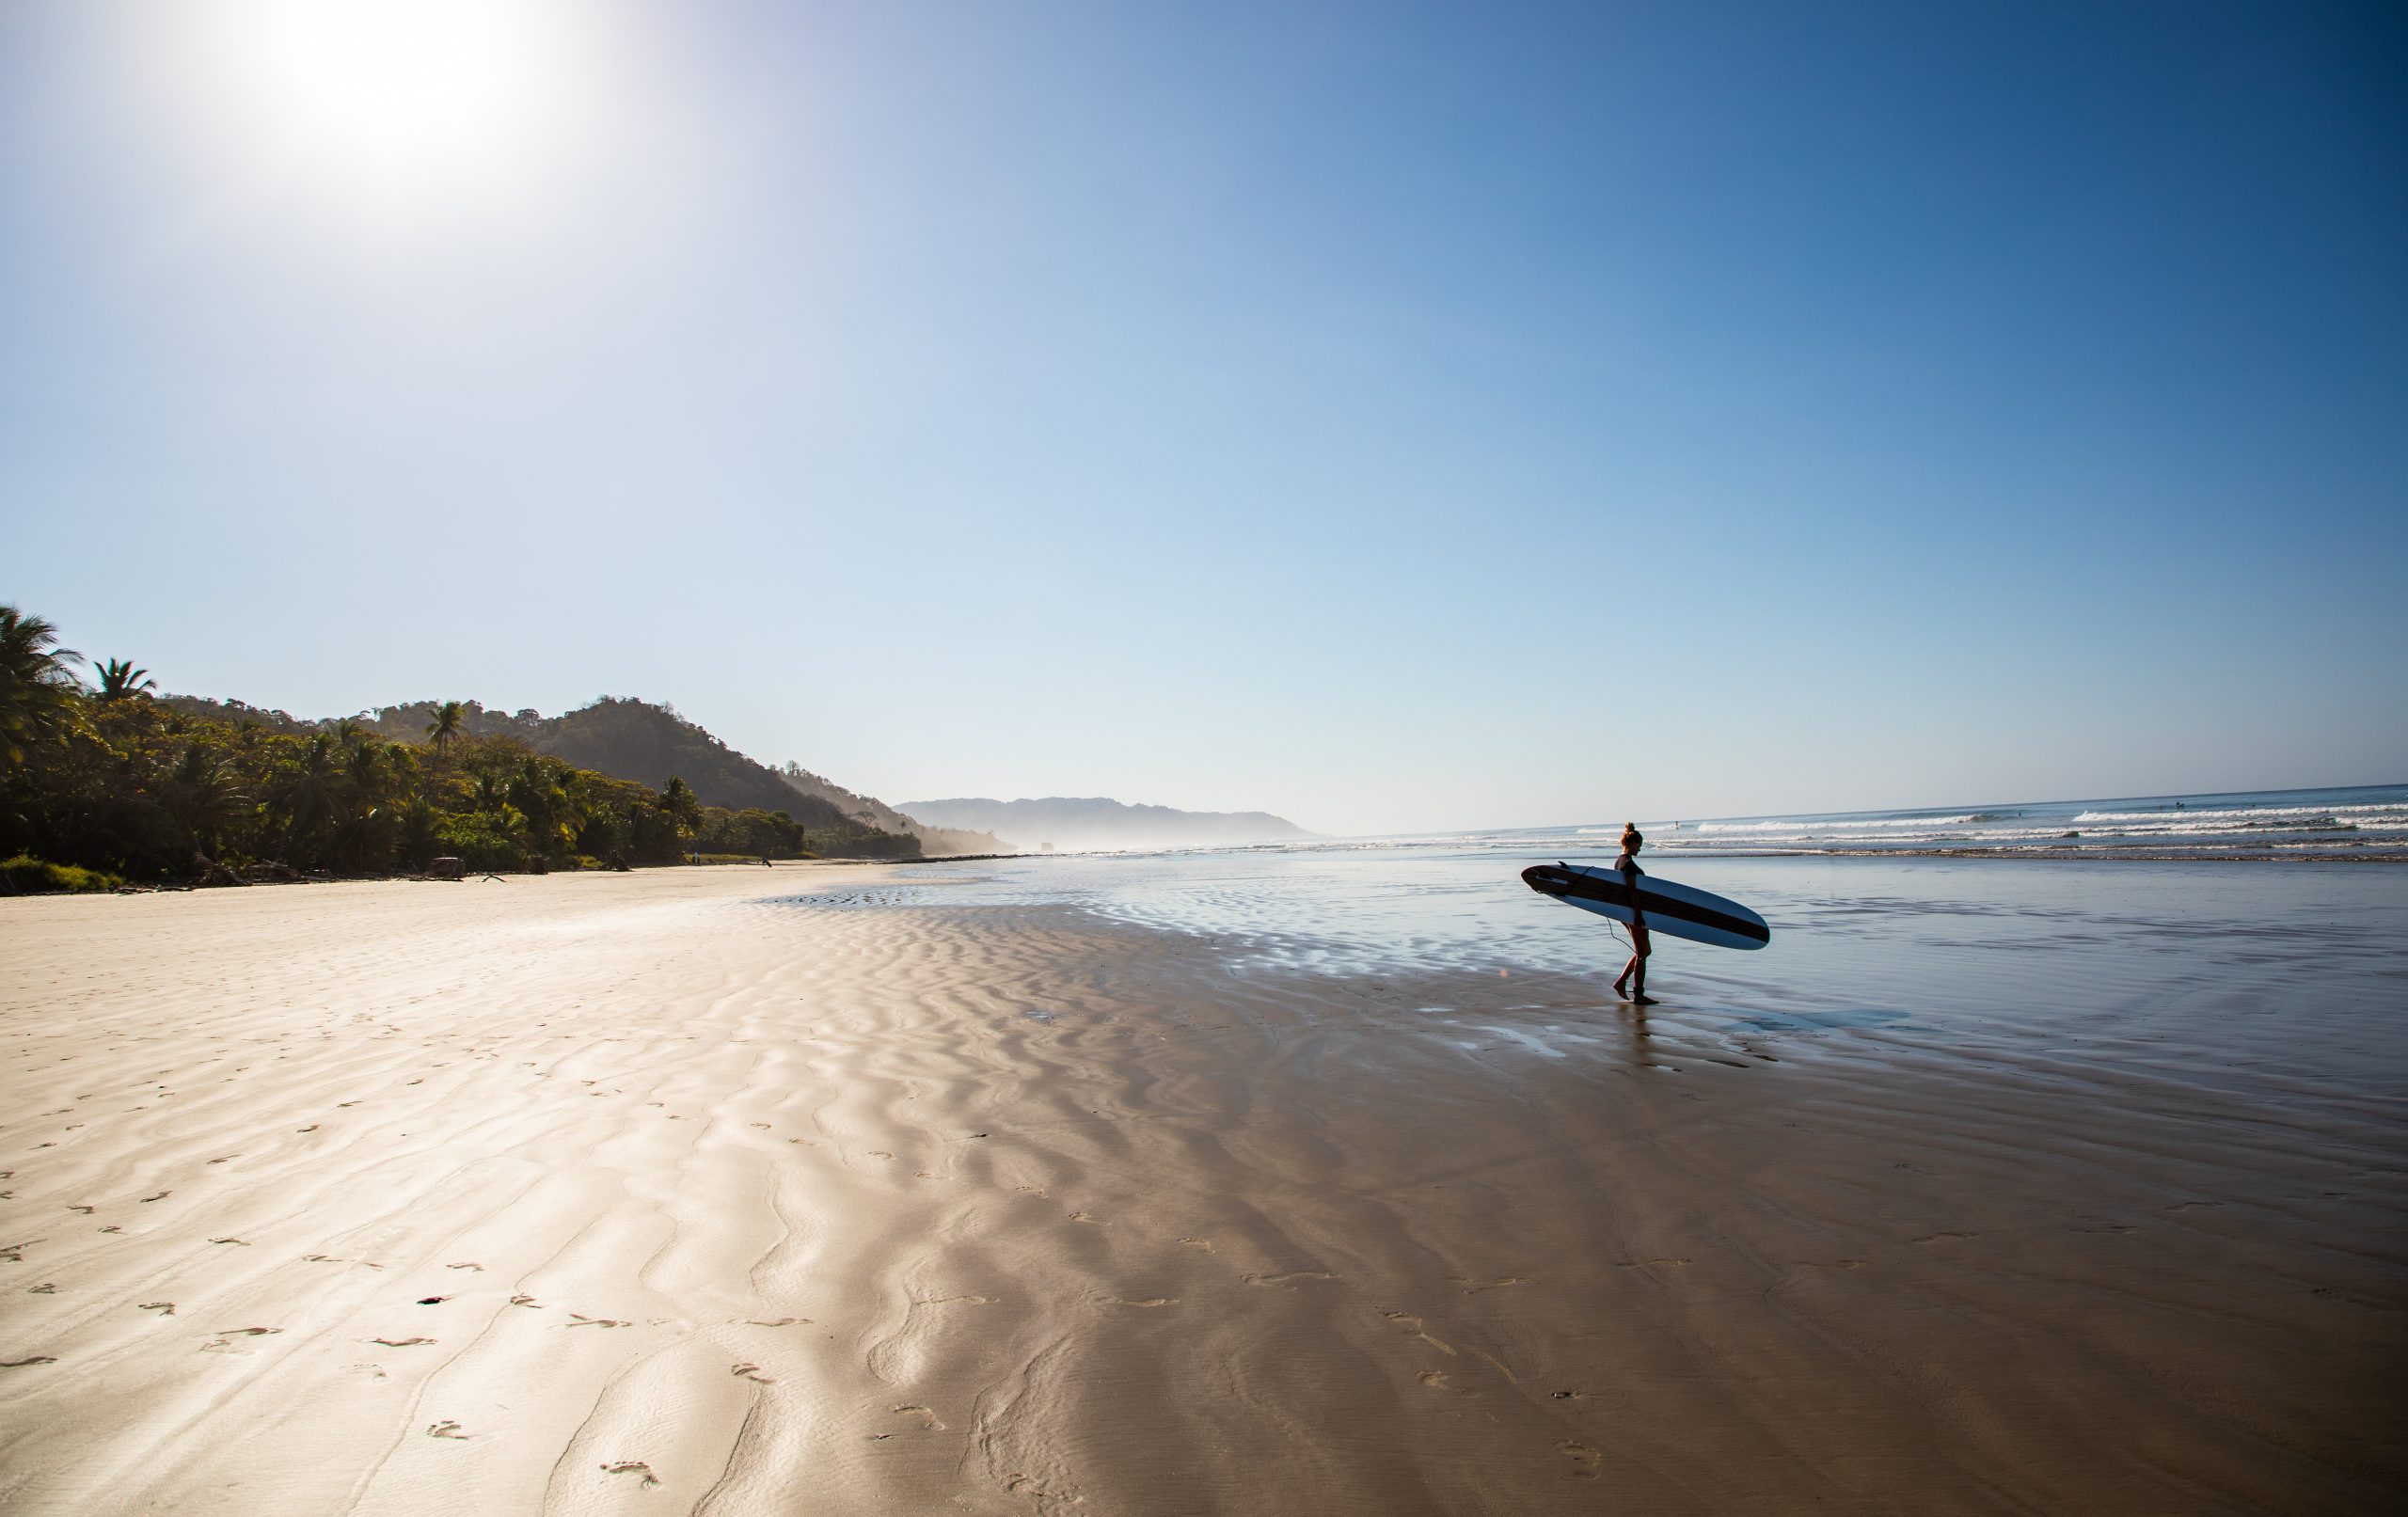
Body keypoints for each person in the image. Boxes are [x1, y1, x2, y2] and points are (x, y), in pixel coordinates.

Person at [1609, 823, 1656, 1004]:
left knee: (1645, 950)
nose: (1641, 848)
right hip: (1634, 912)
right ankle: (1638, 994)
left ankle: (1621, 983)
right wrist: (1637, 913)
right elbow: (1632, 891)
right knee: (1642, 953)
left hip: (1627, 912)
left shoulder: (1619, 861)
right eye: (1640, 844)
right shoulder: (1628, 864)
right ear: (1633, 842)